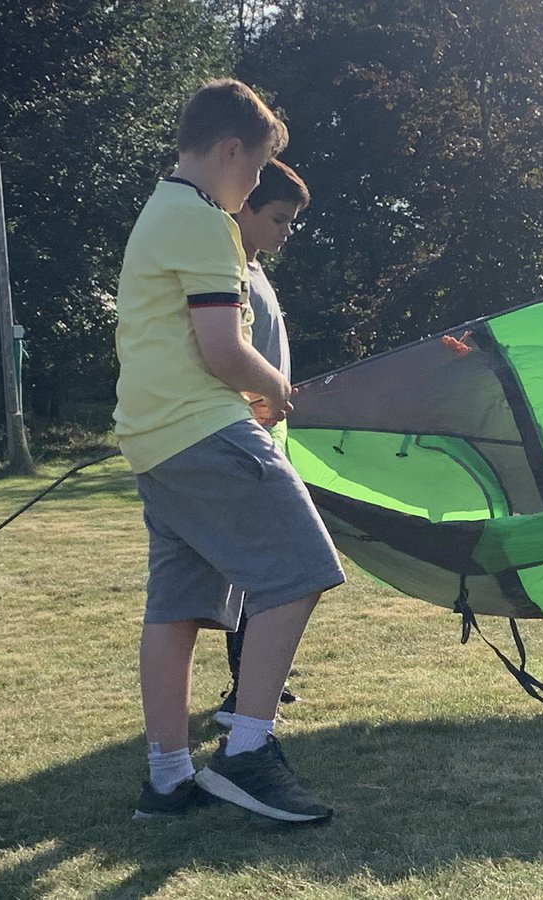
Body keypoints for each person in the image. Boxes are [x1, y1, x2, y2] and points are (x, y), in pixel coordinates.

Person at [113, 78, 345, 821]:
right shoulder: (204, 220)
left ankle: (167, 778)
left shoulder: (159, 210)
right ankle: (246, 752)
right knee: (304, 569)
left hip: (154, 440)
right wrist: (277, 388)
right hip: (203, 430)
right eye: (256, 169)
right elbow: (223, 350)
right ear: (230, 150)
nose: (254, 186)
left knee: (178, 607)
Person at [215, 159, 313, 729]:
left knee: (273, 566)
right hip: (242, 437)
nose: (286, 231)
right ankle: (243, 695)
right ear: (244, 208)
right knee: (270, 566)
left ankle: (253, 685)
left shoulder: (254, 269)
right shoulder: (228, 270)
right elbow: (225, 354)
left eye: (291, 222)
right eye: (278, 219)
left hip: (271, 435)